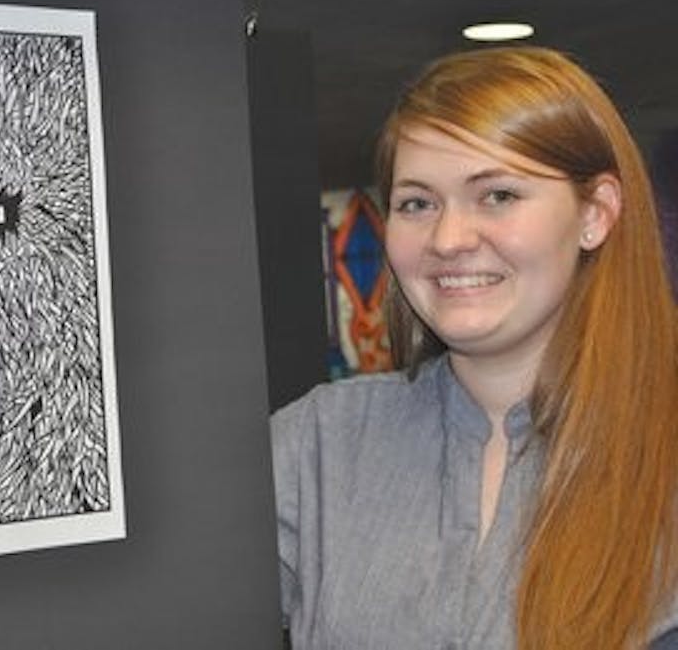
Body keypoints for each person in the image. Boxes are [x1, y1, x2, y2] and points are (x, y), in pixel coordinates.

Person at [271, 46, 678, 650]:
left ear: (596, 212)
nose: (448, 238)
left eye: (498, 196)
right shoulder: (317, 446)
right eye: (417, 203)